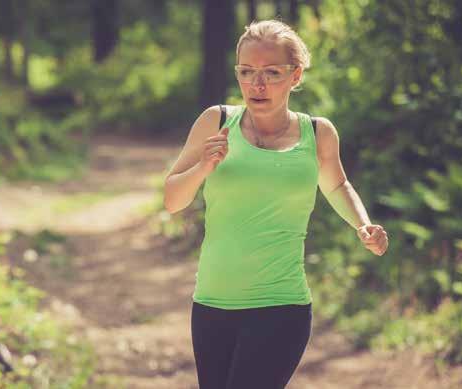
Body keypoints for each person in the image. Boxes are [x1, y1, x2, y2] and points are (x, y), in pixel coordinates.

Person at [163, 19, 389, 389]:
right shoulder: (215, 122)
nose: (258, 84)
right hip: (211, 304)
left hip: (281, 304)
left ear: (295, 75)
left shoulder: (317, 133)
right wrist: (204, 166)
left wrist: (363, 225)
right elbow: (173, 201)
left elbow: (337, 185)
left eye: (271, 72)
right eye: (247, 72)